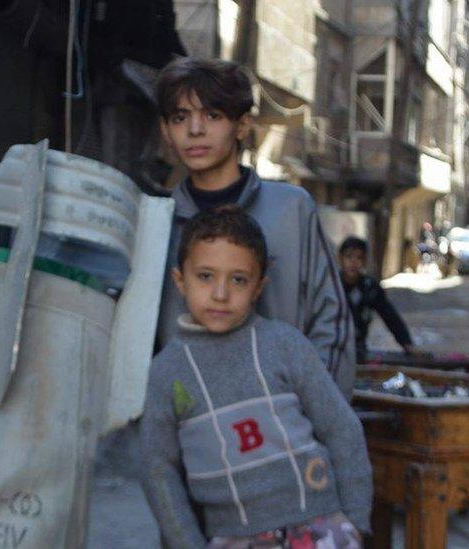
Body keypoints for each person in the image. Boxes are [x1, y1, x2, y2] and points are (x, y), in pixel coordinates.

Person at [141, 207, 372, 548]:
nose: (220, 293)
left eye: (238, 279)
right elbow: (159, 471)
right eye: (205, 276)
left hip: (321, 527)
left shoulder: (285, 344)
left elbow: (342, 428)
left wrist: (355, 522)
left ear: (259, 286)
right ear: (180, 280)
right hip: (234, 536)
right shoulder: (167, 373)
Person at [153, 56, 356, 399]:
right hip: (190, 430)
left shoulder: (292, 209)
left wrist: (311, 418)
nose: (195, 130)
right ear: (166, 131)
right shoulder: (157, 222)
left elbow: (331, 323)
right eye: (180, 117)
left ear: (243, 126)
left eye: (212, 116)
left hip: (282, 424)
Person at [337, 237, 415, 358]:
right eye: (349, 256)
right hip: (333, 348)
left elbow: (389, 315)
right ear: (340, 258)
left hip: (358, 350)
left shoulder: (369, 287)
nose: (353, 262)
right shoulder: (332, 286)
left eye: (359, 257)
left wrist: (406, 343)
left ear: (364, 261)